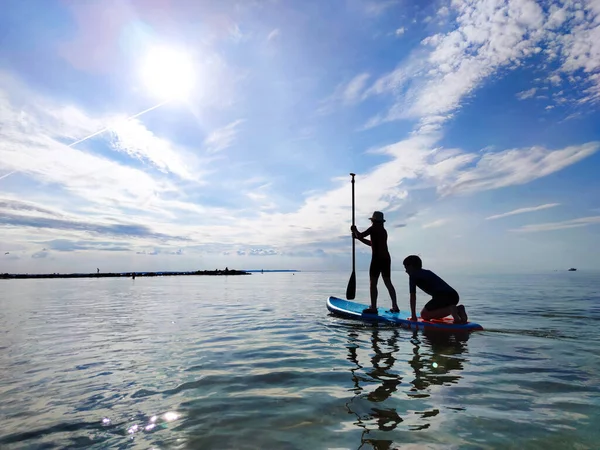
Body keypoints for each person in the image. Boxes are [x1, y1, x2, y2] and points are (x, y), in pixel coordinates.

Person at [351, 211, 399, 315]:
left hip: (377, 259)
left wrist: (355, 231)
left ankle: (373, 308)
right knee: (388, 282)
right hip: (386, 258)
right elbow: (371, 243)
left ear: (374, 221)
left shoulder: (373, 228)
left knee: (373, 283)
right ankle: (395, 306)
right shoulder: (383, 231)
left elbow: (360, 235)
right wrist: (358, 237)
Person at [402, 255, 468, 324]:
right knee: (434, 313)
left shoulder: (413, 276)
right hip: (454, 296)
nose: (406, 271)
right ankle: (458, 309)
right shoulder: (427, 272)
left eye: (406, 268)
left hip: (443, 296)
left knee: (424, 315)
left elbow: (413, 297)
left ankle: (451, 310)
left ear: (411, 267)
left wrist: (413, 316)